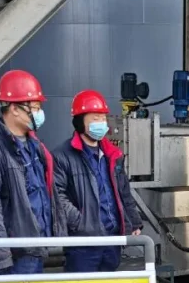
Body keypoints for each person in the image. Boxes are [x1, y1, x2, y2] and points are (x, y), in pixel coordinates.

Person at [0, 69, 61, 274]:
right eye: (35, 107)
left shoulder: (34, 145)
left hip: (34, 248)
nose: (39, 113)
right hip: (13, 255)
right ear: (14, 109)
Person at [53, 89, 143, 272]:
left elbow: (124, 191)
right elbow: (57, 196)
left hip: (112, 240)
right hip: (83, 244)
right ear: (79, 122)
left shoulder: (112, 154)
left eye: (103, 118)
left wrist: (134, 221)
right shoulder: (62, 156)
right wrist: (81, 223)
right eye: (95, 119)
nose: (101, 123)